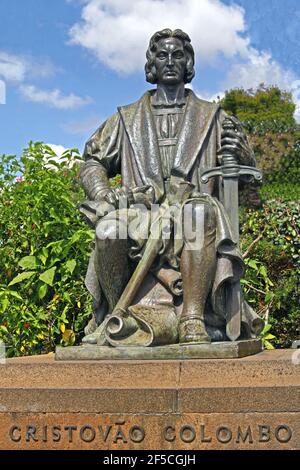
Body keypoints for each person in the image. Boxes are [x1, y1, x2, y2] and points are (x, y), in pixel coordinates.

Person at [79, 28, 263, 347]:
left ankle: (192, 318)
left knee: (197, 213)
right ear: (152, 62)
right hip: (141, 211)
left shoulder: (213, 116)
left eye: (178, 55)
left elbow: (245, 175)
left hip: (193, 206)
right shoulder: (126, 118)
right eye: (162, 55)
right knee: (109, 231)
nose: (170, 61)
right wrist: (101, 193)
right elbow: (93, 161)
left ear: (188, 62)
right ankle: (114, 316)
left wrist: (243, 153)